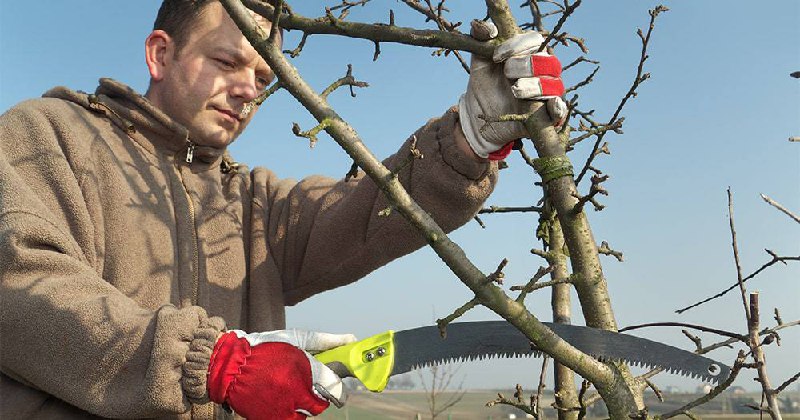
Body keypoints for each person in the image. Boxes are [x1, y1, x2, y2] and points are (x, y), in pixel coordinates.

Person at [0, 1, 564, 419]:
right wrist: (211, 363)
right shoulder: (46, 137)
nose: (247, 89)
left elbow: (364, 212)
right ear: (160, 54)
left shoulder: (252, 203)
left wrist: (472, 136)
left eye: (264, 78)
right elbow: (18, 282)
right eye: (228, 61)